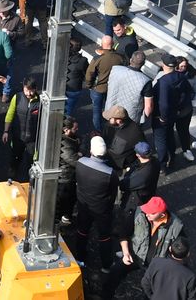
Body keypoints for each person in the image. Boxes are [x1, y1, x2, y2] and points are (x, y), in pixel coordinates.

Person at [103, 196, 186, 300]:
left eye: (151, 213)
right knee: (115, 272)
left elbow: (180, 250)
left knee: (153, 291)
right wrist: (126, 253)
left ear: (162, 214)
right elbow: (123, 233)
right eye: (146, 211)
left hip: (157, 265)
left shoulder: (177, 227)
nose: (147, 214)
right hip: (135, 255)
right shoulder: (139, 213)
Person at [74, 136, 119, 271]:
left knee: (82, 232)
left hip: (83, 204)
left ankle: (80, 258)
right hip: (102, 209)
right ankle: (106, 265)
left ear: (91, 151)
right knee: (104, 237)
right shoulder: (111, 173)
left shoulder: (80, 163)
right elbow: (113, 194)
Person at [152, 54, 194, 172]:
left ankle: (162, 164)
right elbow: (187, 93)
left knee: (160, 139)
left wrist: (162, 117)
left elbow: (163, 103)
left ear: (163, 65)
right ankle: (173, 155)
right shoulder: (181, 77)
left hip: (163, 116)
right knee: (170, 135)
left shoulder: (163, 82)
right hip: (175, 113)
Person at [85, 36, 127, 131]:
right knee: (110, 110)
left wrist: (89, 85)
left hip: (98, 89)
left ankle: (98, 131)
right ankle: (110, 129)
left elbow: (89, 74)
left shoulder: (98, 59)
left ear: (102, 45)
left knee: (97, 111)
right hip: (113, 89)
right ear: (112, 44)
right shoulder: (120, 57)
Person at [2, 77, 40, 180]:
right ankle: (11, 179)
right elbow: (10, 114)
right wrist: (6, 131)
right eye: (26, 90)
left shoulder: (40, 101)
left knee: (31, 162)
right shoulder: (17, 97)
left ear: (35, 89)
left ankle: (29, 183)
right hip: (17, 137)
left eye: (31, 90)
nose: (28, 93)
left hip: (32, 139)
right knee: (14, 159)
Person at [105, 51, 153, 123]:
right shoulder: (146, 81)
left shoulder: (115, 70)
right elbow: (148, 106)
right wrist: (143, 121)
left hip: (111, 111)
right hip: (130, 117)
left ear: (131, 60)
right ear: (143, 64)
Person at [119, 142, 160, 217]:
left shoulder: (143, 174)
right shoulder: (155, 161)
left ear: (138, 155)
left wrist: (126, 175)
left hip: (139, 199)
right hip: (149, 192)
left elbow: (125, 185)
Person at [102, 105, 145, 171]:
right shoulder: (109, 125)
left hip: (121, 163)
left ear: (119, 120)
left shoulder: (135, 132)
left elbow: (142, 149)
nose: (108, 119)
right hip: (108, 157)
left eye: (110, 118)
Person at [56, 116, 81, 224]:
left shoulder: (69, 139)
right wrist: (80, 155)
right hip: (65, 178)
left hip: (67, 176)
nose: (77, 130)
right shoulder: (65, 145)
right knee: (66, 200)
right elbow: (75, 161)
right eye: (75, 129)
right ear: (66, 130)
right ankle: (63, 220)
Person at [65, 38, 88, 117]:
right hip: (74, 87)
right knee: (69, 108)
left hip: (61, 86)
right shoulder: (83, 60)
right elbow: (87, 73)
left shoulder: (63, 56)